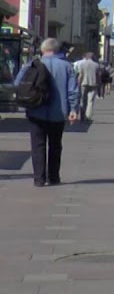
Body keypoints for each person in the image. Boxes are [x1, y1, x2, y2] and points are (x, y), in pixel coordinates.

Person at [16, 38, 80, 187]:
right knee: (55, 145)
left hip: (35, 110)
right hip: (58, 112)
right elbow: (73, 91)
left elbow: (18, 83)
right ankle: (54, 177)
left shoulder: (31, 65)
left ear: (43, 49)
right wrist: (73, 110)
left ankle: (39, 178)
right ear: (58, 50)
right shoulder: (67, 66)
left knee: (37, 145)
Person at [73, 51, 101, 120]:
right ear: (92, 57)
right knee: (90, 101)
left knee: (83, 100)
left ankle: (82, 115)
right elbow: (98, 76)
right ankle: (88, 116)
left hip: (84, 84)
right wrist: (99, 84)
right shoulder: (96, 65)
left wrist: (78, 84)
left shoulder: (82, 64)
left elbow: (80, 75)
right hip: (93, 84)